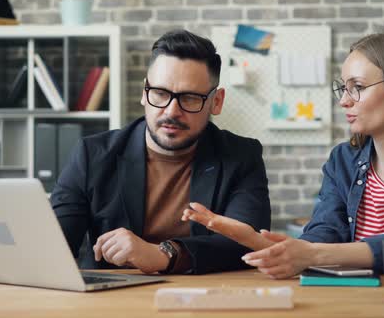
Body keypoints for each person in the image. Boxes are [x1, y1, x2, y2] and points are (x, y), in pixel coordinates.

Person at [183, 32, 384, 279]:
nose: (343, 101)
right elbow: (325, 230)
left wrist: (312, 254)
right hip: (357, 298)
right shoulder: (343, 159)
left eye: (358, 88)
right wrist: (276, 247)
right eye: (343, 88)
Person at [51, 29, 271, 275]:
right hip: (112, 298)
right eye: (160, 93)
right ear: (145, 92)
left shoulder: (242, 156)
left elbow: (248, 244)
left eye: (189, 98)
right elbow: (53, 247)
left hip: (202, 299)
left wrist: (164, 254)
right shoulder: (91, 155)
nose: (171, 111)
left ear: (216, 102)